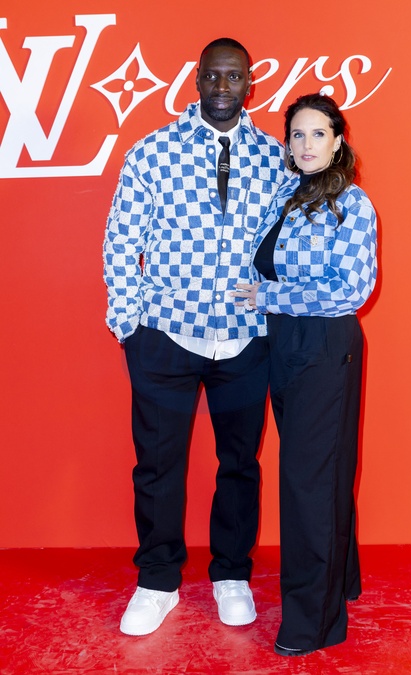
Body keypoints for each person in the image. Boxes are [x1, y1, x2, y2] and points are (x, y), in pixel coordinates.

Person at [103, 37, 288, 636]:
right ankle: (157, 582)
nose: (222, 87)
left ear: (249, 83)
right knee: (157, 466)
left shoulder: (275, 157)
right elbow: (120, 240)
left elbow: (288, 243)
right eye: (212, 76)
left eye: (233, 77)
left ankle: (231, 574)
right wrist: (129, 324)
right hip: (166, 334)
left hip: (246, 339)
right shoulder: (152, 151)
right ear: (197, 80)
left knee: (239, 464)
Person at [233, 93, 377, 656]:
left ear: (338, 141)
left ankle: (313, 623)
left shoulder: (352, 204)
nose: (306, 143)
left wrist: (270, 296)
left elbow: (352, 291)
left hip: (324, 346)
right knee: (321, 473)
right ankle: (342, 582)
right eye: (297, 134)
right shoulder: (285, 196)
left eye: (318, 133)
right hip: (284, 344)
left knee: (307, 483)